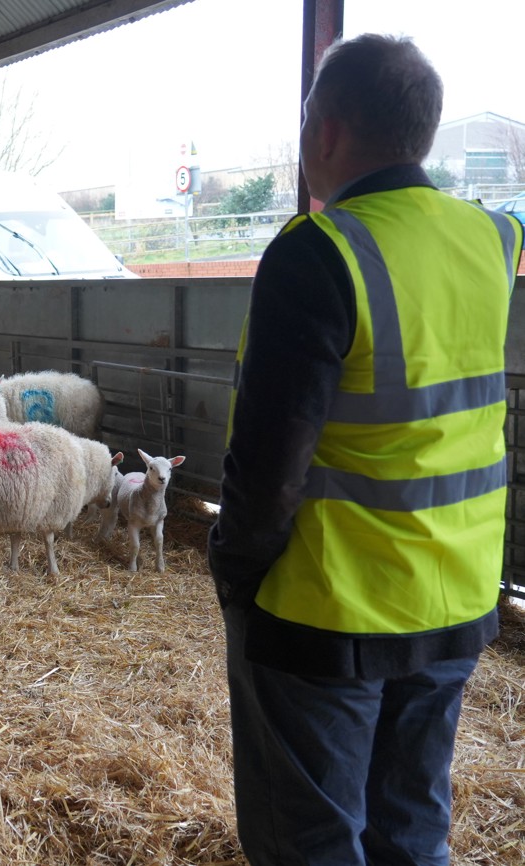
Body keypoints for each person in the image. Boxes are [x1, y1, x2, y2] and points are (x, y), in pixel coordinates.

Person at [208, 34, 522, 866]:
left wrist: (236, 572)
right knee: (412, 831)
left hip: (328, 613)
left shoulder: (317, 252)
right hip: (454, 600)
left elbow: (270, 466)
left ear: (328, 132)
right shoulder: (493, 241)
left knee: (311, 842)